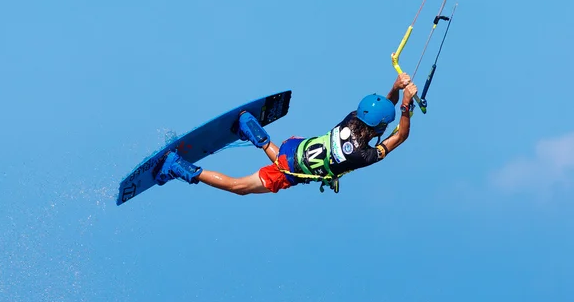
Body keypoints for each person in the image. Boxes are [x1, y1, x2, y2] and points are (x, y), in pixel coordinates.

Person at [154, 73, 418, 195]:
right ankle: (179, 167)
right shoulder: (363, 155)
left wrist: (396, 88)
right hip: (289, 170)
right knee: (238, 187)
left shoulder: (350, 119)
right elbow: (400, 136)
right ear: (380, 127)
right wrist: (406, 104)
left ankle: (250, 127)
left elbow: (380, 109)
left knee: (282, 157)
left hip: (294, 148)